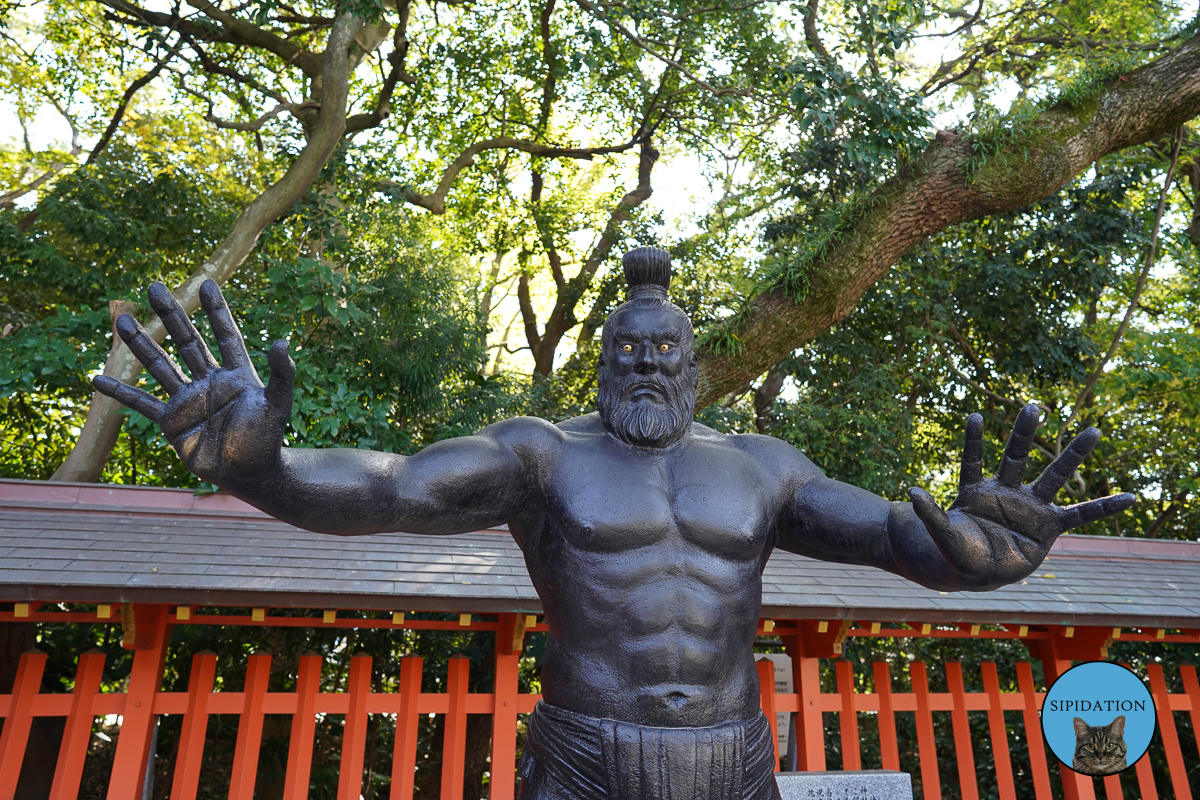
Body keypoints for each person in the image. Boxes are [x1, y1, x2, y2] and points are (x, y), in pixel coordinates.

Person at [94, 246, 1134, 800]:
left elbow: (897, 538)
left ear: (692, 355)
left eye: (663, 348)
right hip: (588, 747)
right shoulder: (542, 454)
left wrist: (982, 556)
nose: (644, 364)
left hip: (732, 753)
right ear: (602, 356)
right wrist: (266, 471)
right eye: (625, 349)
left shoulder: (763, 467)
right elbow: (393, 485)